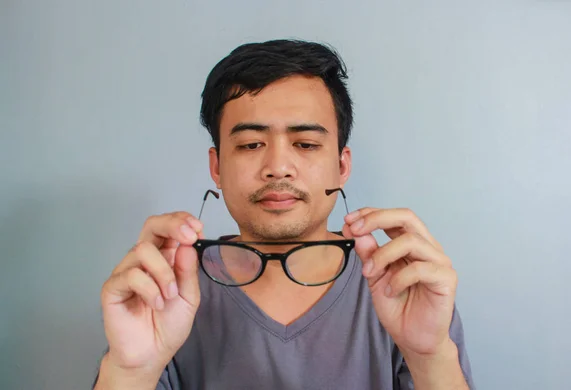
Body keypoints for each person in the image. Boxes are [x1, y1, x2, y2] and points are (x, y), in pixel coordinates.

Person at [93, 39, 475, 390]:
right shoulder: (165, 290)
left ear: (342, 167)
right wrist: (129, 372)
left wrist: (430, 357)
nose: (278, 167)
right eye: (250, 144)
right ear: (217, 168)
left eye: (306, 144)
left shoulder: (404, 284)